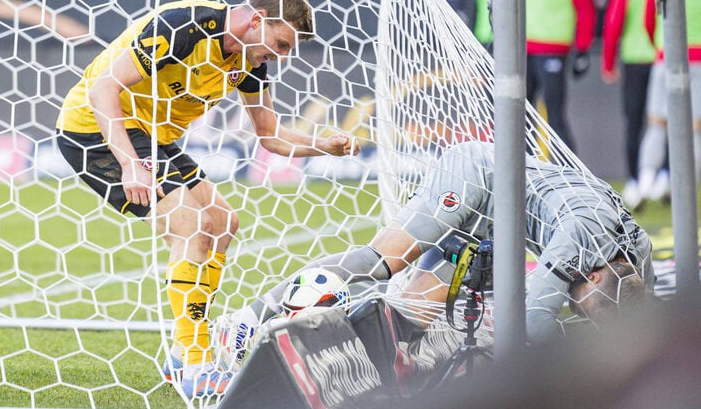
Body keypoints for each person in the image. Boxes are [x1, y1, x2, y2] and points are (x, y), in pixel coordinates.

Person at [55, 0, 360, 398]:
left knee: (223, 222)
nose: (283, 56)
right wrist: (129, 164)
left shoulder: (250, 62)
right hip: (95, 131)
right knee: (192, 227)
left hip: (152, 138)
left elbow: (270, 136)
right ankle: (196, 363)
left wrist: (324, 145)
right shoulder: (184, 26)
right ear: (257, 19)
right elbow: (104, 87)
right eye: (283, 43)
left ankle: (183, 356)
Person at [221, 140, 652, 353]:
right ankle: (246, 319)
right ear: (593, 274)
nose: (574, 306)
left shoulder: (638, 252)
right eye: (582, 303)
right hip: (477, 177)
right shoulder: (579, 235)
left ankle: (339, 357)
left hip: (504, 221)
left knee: (412, 316)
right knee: (381, 262)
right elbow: (535, 314)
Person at [638, 0, 701, 201]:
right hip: (699, 59)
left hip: (666, 57)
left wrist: (658, 46)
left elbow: (649, 14)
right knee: (696, 128)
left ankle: (646, 181)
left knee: (656, 122)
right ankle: (682, 185)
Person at [524, 0, 596, 152]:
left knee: (554, 115)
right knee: (520, 116)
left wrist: (583, 48)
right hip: (525, 46)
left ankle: (570, 174)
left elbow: (584, 4)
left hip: (553, 47)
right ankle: (525, 174)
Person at [601, 0, 659, 210]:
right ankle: (663, 176)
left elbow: (614, 20)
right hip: (663, 57)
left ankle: (636, 179)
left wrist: (608, 61)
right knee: (665, 121)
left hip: (636, 57)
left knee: (634, 121)